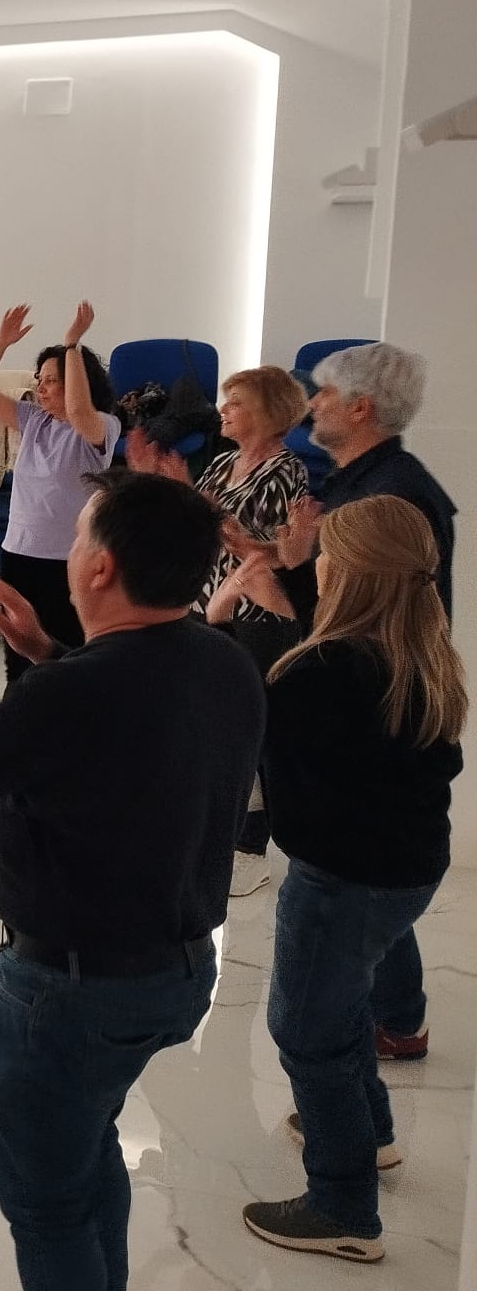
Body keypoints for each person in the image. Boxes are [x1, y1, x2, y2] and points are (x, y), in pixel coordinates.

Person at [0, 472, 262, 1291]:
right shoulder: (223, 660)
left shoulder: (72, 693)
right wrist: (48, 651)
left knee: (43, 1199)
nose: (72, 547)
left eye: (81, 534)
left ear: (100, 567)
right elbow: (129, 725)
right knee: (87, 1148)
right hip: (178, 971)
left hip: (75, 994)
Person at [235, 496, 464, 1264]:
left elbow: (258, 723)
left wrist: (245, 623)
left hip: (341, 880)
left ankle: (341, 1206)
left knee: (306, 1029)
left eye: (326, 554)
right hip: (404, 872)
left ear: (350, 574)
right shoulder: (417, 651)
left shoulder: (325, 671)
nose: (318, 564)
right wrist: (289, 601)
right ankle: (372, 1135)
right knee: (344, 1006)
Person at [251, 342, 457, 1062]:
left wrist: (285, 586)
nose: (312, 404)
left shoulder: (392, 497)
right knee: (373, 897)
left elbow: (356, 638)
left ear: (362, 408)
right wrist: (292, 567)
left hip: (357, 812)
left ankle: (360, 1081)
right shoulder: (361, 484)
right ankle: (398, 1017)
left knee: (324, 986)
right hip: (369, 807)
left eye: (325, 394)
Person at [178, 367, 310, 899]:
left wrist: (233, 536)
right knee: (209, 723)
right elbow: (198, 521)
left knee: (247, 728)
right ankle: (215, 828)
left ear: (268, 413)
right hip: (206, 604)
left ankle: (251, 846)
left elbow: (285, 555)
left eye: (235, 402)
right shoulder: (221, 462)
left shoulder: (285, 472)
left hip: (255, 615)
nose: (223, 410)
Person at [0, 303, 121, 683]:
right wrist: (1, 342)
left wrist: (72, 345)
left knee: (63, 653)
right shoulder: (35, 420)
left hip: (67, 560)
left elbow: (79, 411)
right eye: (40, 378)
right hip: (19, 553)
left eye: (51, 380)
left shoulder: (102, 425)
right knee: (17, 653)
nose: (41, 386)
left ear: (76, 381)